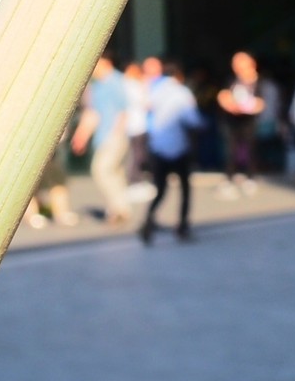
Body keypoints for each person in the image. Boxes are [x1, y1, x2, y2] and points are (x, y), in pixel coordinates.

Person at [141, 62, 205, 244]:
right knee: (184, 189)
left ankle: (148, 220)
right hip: (179, 147)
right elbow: (193, 120)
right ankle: (182, 226)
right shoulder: (182, 93)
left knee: (160, 189)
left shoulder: (155, 91)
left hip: (158, 147)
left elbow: (147, 113)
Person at [72, 54, 132, 225]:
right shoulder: (96, 85)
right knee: (114, 172)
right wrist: (81, 136)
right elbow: (92, 113)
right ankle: (120, 208)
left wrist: (116, 133)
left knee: (101, 170)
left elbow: (123, 111)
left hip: (112, 135)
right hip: (103, 136)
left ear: (106, 62)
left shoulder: (116, 81)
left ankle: (119, 208)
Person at [216, 51, 266, 196]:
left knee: (250, 149)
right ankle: (229, 177)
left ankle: (250, 177)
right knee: (231, 150)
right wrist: (229, 104)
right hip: (232, 121)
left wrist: (246, 107)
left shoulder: (257, 81)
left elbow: (260, 103)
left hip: (248, 121)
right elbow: (223, 95)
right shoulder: (231, 80)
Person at [122, 62, 151, 184]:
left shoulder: (124, 84)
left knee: (134, 152)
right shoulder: (135, 86)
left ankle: (133, 176)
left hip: (132, 125)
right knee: (137, 153)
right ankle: (135, 177)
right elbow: (146, 103)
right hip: (138, 125)